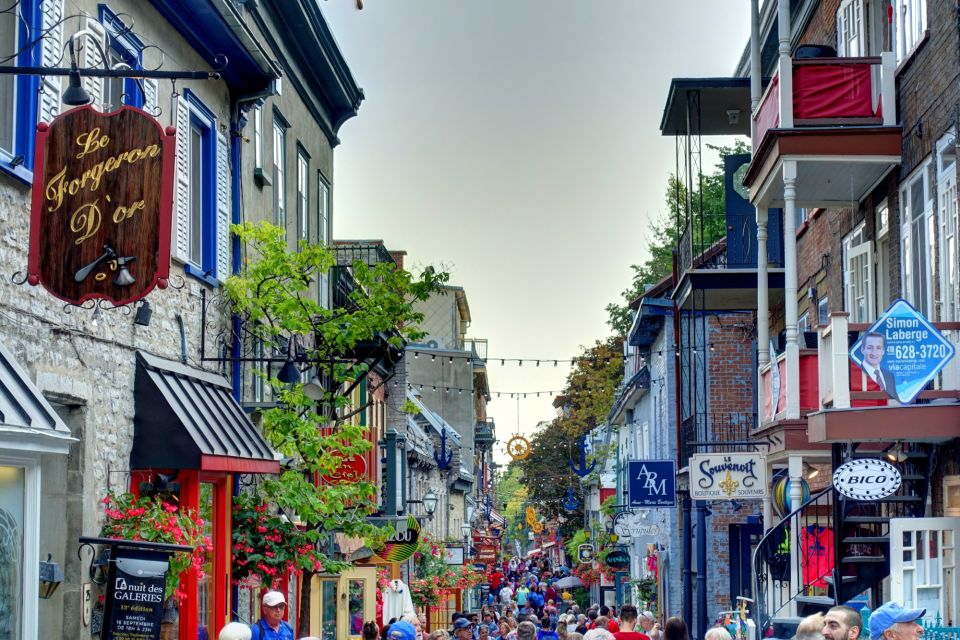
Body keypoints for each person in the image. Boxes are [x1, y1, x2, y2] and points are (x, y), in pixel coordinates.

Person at [860, 332, 898, 399]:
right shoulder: (856, 373)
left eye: (878, 348)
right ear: (862, 350)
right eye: (870, 348)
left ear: (883, 351)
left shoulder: (889, 376)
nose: (874, 352)